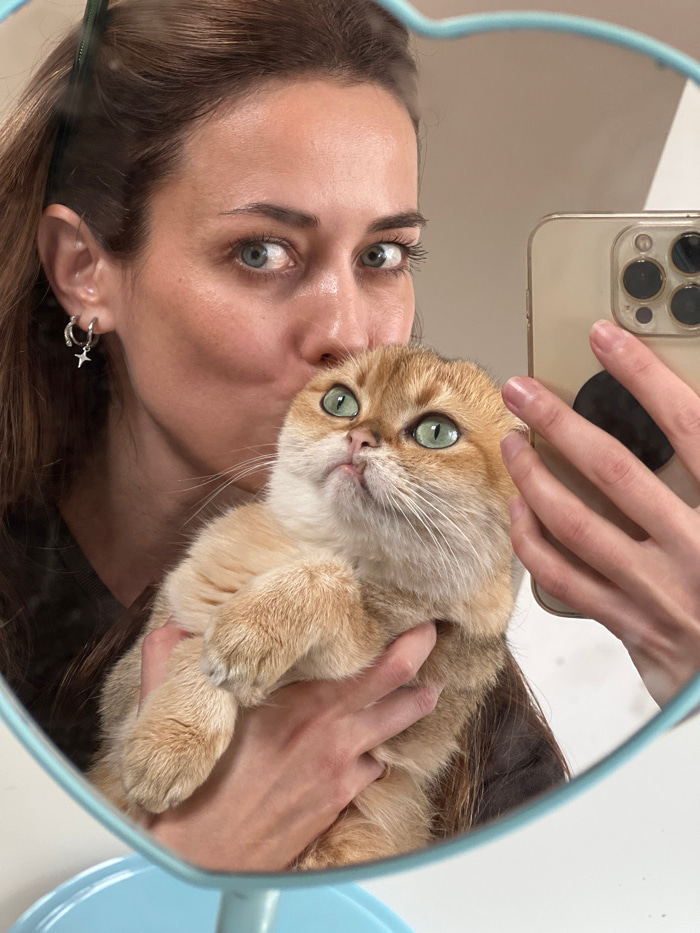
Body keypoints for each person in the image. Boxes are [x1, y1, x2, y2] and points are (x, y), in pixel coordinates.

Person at [0, 0, 690, 872]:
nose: (350, 334)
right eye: (262, 252)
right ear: (84, 270)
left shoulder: (445, 678)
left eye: (382, 256)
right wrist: (183, 859)